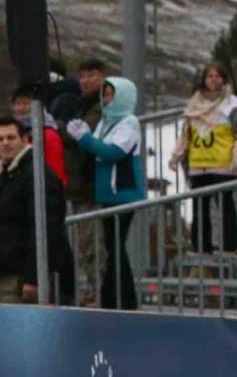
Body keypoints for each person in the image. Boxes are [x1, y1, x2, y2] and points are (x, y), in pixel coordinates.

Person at [67, 75, 146, 311]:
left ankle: (123, 298)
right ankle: (115, 296)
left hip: (123, 192)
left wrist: (85, 139)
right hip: (107, 194)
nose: (106, 99)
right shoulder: (105, 122)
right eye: (104, 94)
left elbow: (112, 152)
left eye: (111, 94)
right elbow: (97, 150)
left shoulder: (129, 123)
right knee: (112, 247)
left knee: (115, 246)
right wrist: (85, 139)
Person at [0, 116, 72, 305]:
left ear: (24, 140)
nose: (5, 143)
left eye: (11, 137)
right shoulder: (7, 176)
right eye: (0, 139)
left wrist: (33, 278)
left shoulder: (37, 175)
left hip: (22, 281)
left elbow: (46, 228)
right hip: (5, 276)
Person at [170, 61, 237, 253]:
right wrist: (176, 155)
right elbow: (186, 134)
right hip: (198, 164)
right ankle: (200, 247)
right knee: (199, 208)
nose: (213, 80)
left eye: (217, 76)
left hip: (222, 164)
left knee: (225, 207)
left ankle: (231, 247)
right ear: (203, 80)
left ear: (224, 79)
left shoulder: (233, 104)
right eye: (210, 76)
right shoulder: (193, 104)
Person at [63, 60, 110, 307]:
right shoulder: (81, 105)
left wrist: (61, 129)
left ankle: (98, 293)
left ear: (103, 76)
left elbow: (84, 134)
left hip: (92, 186)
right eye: (82, 75)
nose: (86, 80)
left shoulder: (104, 105)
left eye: (91, 74)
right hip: (79, 186)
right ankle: (93, 291)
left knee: (93, 245)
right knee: (83, 245)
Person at [10, 83, 71, 191]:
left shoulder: (47, 133)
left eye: (26, 103)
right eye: (18, 103)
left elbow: (55, 169)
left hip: (45, 190)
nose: (21, 108)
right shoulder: (12, 131)